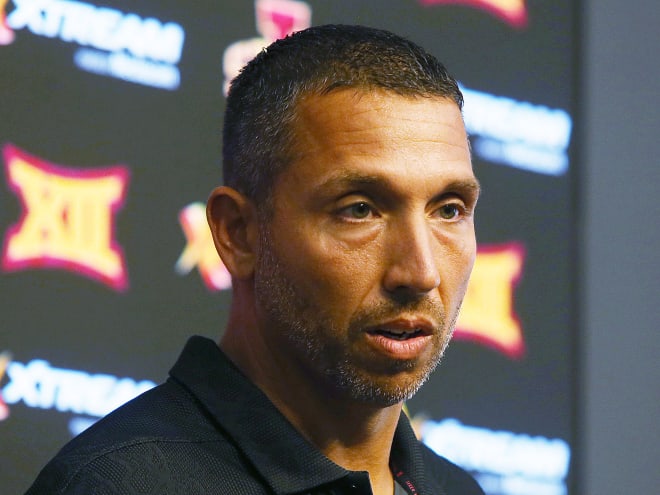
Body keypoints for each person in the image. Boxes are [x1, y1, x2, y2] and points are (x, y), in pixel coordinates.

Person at [26, 24, 483, 495]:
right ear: (239, 234)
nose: (420, 272)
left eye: (449, 209)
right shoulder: (118, 486)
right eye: (359, 210)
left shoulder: (459, 489)